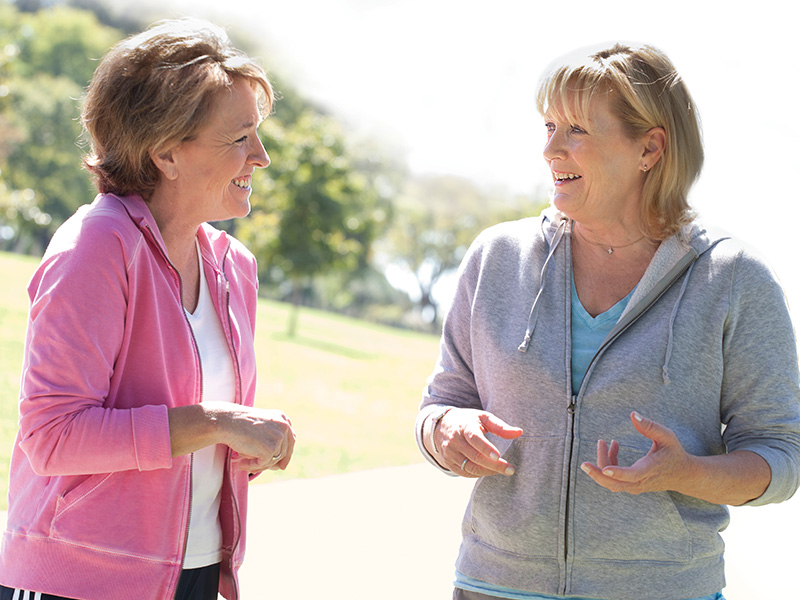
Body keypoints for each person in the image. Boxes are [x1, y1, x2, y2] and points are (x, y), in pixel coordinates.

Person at [415, 42, 800, 600]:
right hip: (494, 585)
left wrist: (685, 472)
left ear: (650, 147)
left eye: (576, 130)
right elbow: (441, 403)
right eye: (548, 126)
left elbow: (781, 455)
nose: (550, 149)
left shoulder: (734, 280)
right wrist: (446, 430)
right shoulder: (497, 258)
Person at [0, 18, 295, 600]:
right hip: (78, 581)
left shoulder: (235, 267)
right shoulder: (97, 246)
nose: (260, 157)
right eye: (239, 138)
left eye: (257, 135)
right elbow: (52, 436)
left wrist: (250, 441)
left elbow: (195, 443)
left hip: (196, 575)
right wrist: (215, 421)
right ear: (165, 153)